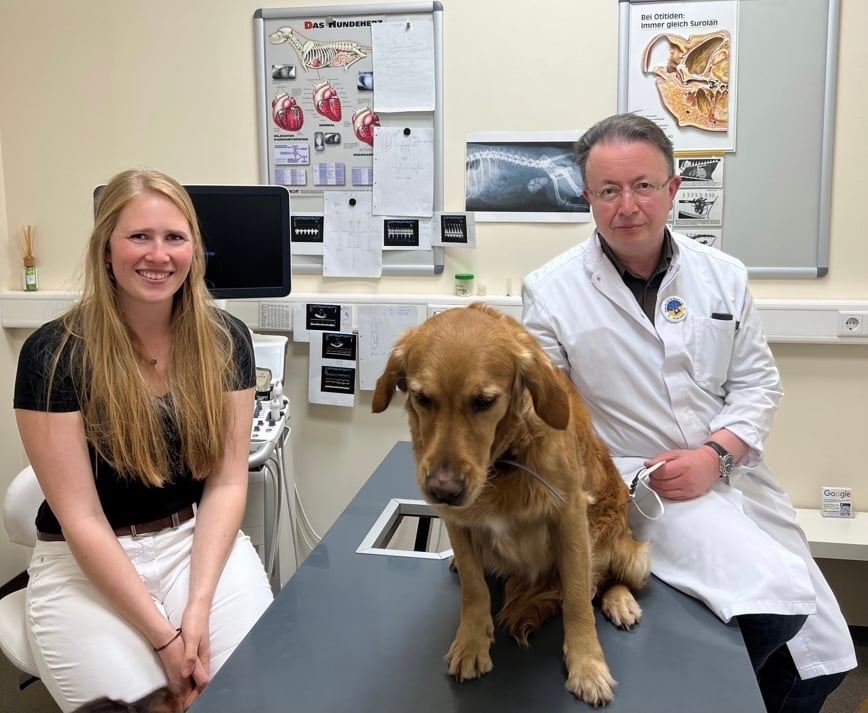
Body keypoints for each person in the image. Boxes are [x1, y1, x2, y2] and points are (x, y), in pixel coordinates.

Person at [522, 113, 855, 713]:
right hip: (637, 487)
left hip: (732, 476)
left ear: (674, 189)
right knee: (775, 603)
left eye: (644, 186)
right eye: (608, 191)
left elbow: (757, 383)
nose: (628, 206)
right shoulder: (549, 291)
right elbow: (552, 418)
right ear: (587, 198)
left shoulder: (723, 277)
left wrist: (715, 455)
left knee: (823, 664)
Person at [13, 169, 274, 711]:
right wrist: (166, 637)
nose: (158, 255)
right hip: (85, 563)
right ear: (106, 248)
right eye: (139, 237)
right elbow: (81, 519)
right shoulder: (53, 355)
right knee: (144, 704)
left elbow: (226, 484)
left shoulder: (228, 341)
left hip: (193, 547)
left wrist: (196, 610)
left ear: (195, 250)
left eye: (174, 238)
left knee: (251, 695)